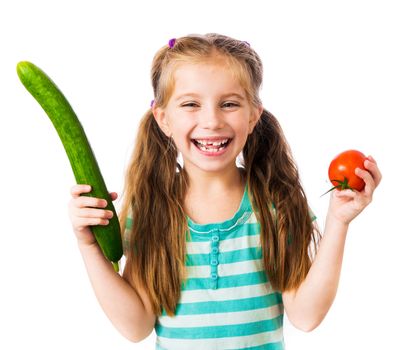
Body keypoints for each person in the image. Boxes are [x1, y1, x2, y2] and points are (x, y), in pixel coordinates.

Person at [68, 33, 382, 349]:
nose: (212, 121)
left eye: (229, 104)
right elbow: (135, 326)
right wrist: (88, 245)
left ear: (253, 114)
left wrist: (338, 221)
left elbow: (306, 316)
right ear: (163, 119)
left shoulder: (277, 203)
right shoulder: (153, 211)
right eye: (191, 104)